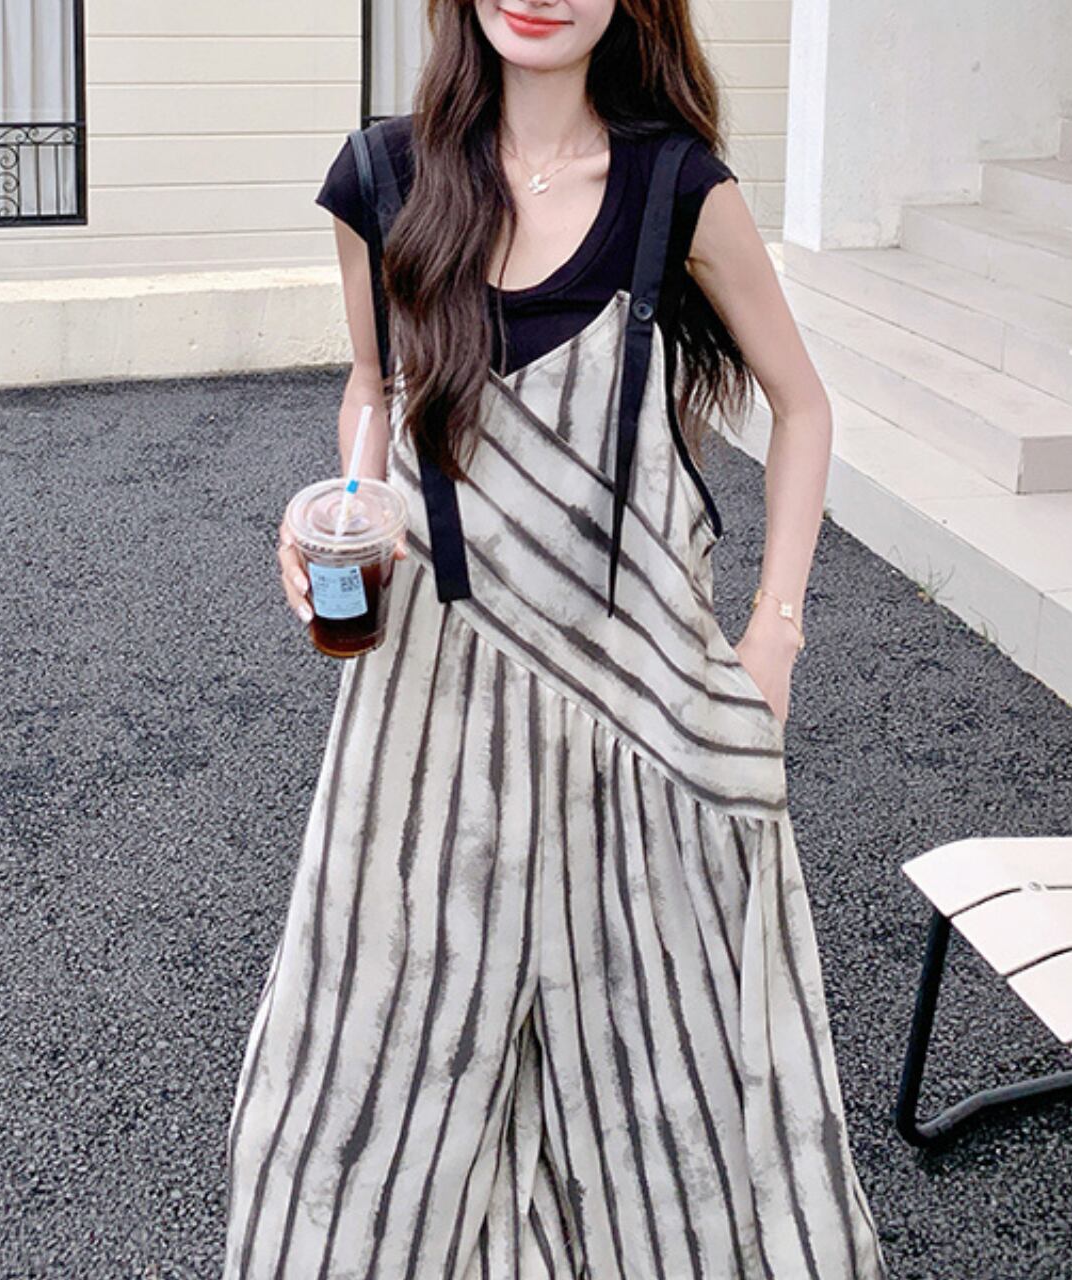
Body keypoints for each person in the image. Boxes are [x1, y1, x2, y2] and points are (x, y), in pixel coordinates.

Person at [223, 2, 890, 1277]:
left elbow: (801, 406)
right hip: (426, 708)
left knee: (665, 1098)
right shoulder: (380, 179)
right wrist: (341, 518)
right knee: (366, 1081)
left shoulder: (674, 188)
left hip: (642, 718)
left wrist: (772, 639)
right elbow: (373, 385)